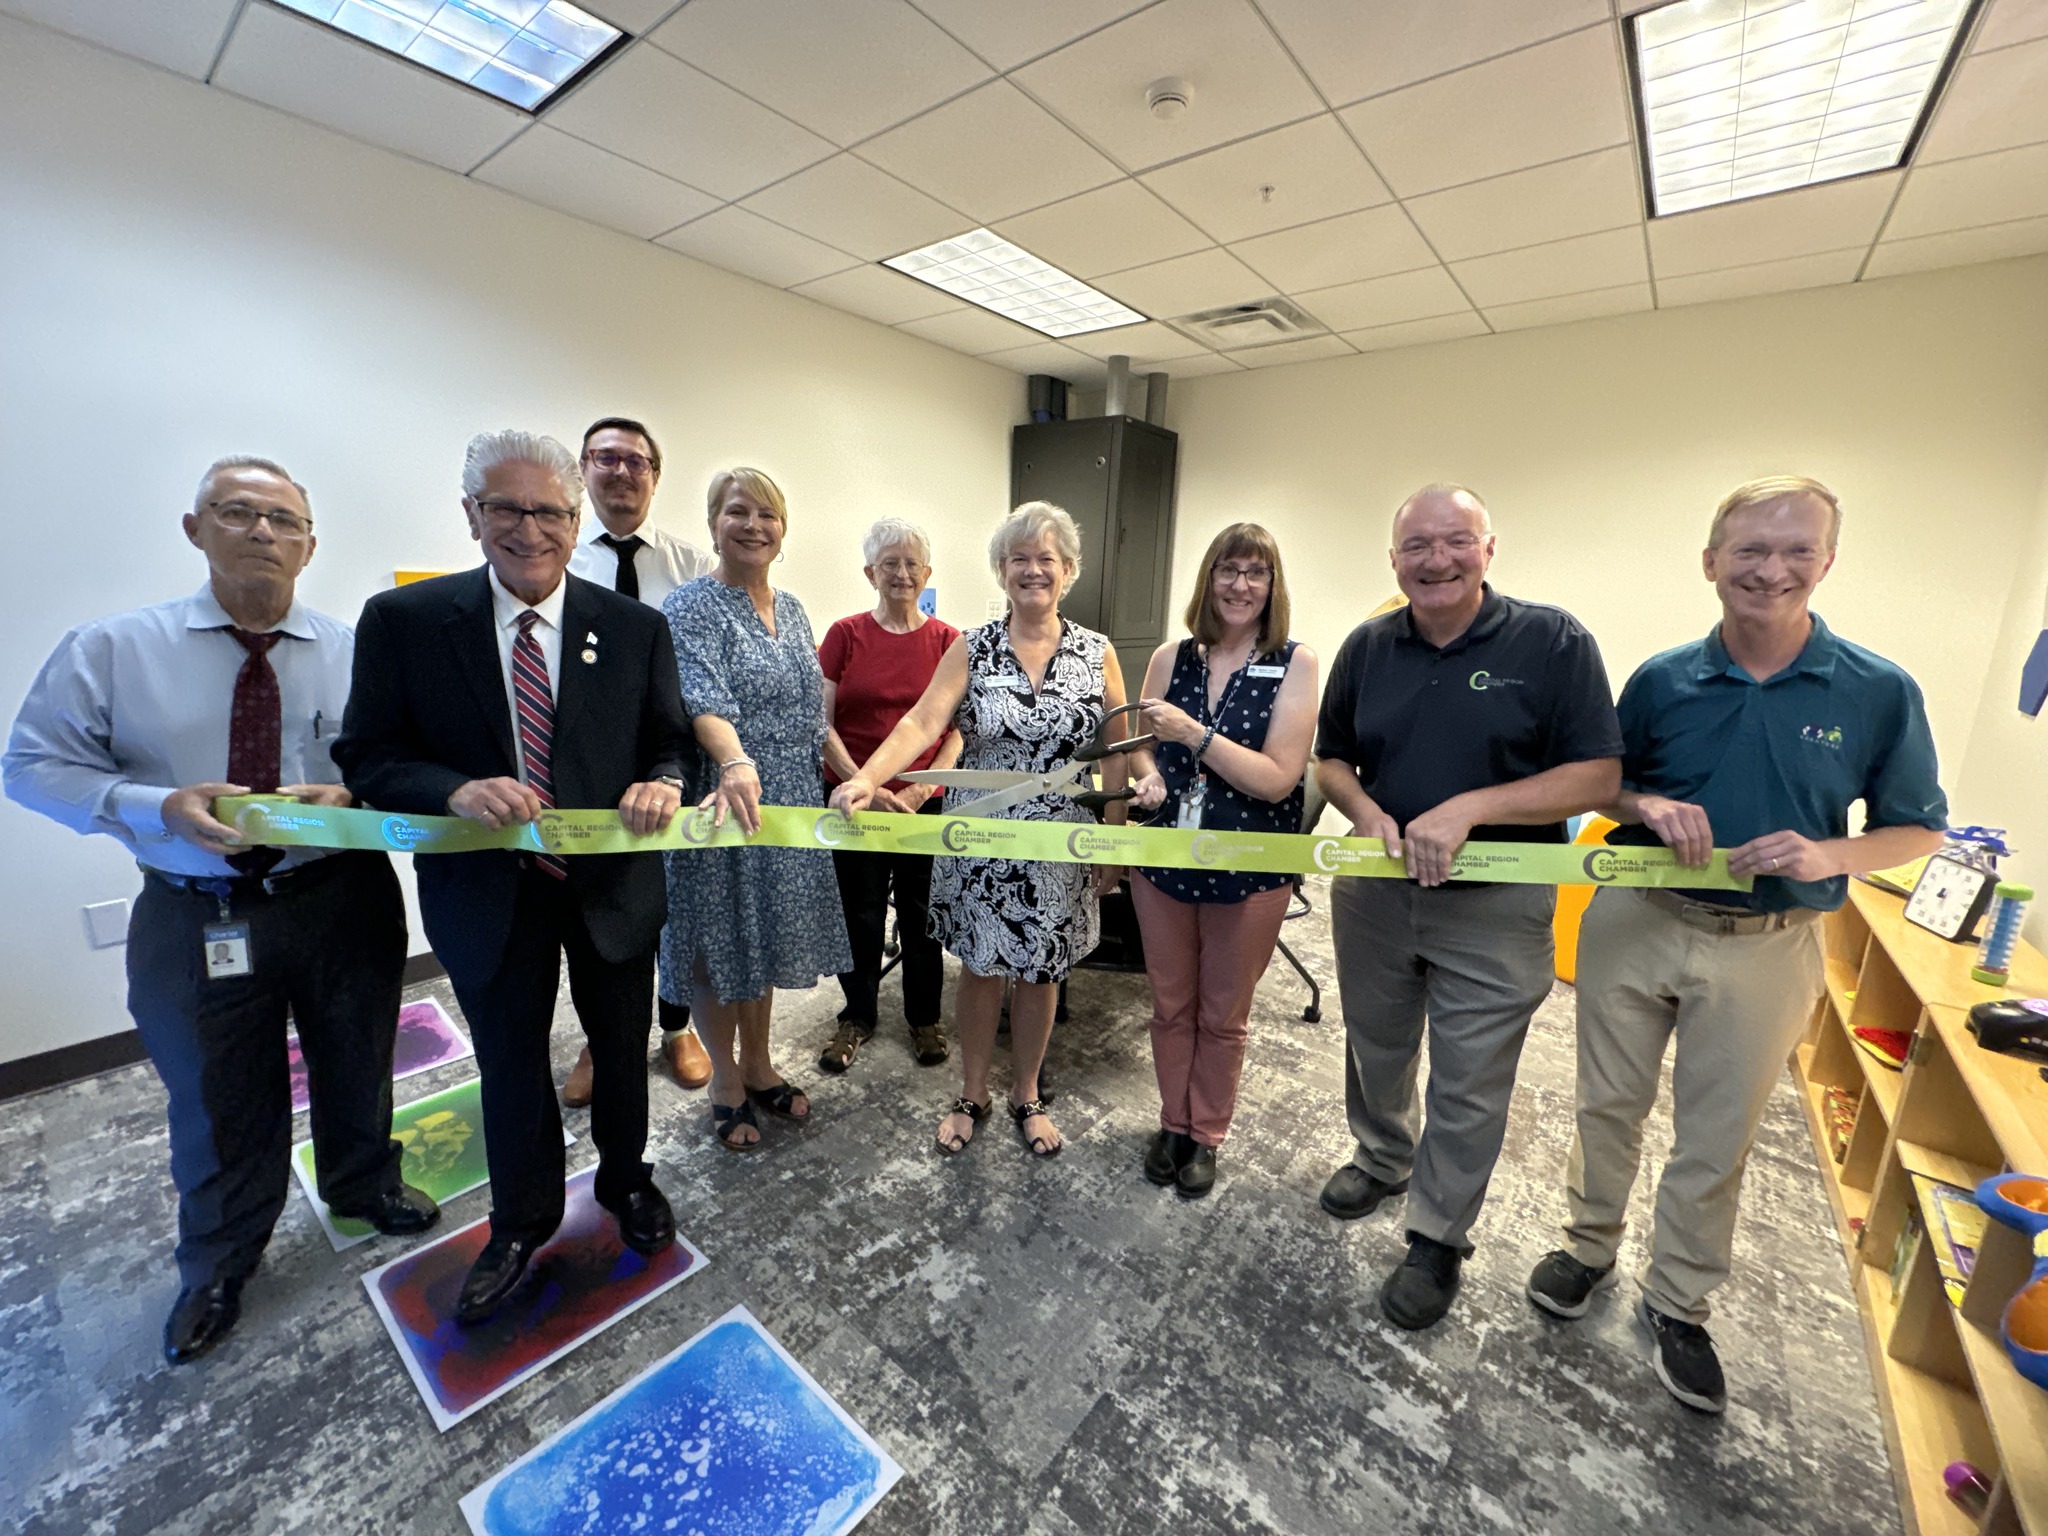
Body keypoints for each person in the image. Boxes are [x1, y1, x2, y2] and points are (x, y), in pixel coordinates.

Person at [3, 456, 436, 1365]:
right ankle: (221, 1259)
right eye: (238, 512)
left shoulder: (361, 652)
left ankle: (366, 1185)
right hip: (195, 909)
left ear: (311, 546)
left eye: (284, 520)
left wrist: (354, 798)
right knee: (215, 1092)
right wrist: (153, 806)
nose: (263, 533)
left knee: (358, 1056)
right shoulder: (113, 650)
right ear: (195, 529)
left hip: (338, 896)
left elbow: (401, 760)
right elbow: (34, 764)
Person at [1527, 477, 1946, 1413]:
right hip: (1640, 923)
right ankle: (1587, 1247)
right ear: (1711, 561)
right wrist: (1643, 805)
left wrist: (1831, 850)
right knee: (1607, 1105)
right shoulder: (1662, 678)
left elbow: (1919, 828)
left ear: (1828, 562)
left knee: (1717, 1137)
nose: (1772, 569)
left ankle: (1678, 1301)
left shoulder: (1876, 689)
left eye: (1797, 550)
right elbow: (1601, 786)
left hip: (1772, 939)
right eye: (1750, 550)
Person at [334, 430, 688, 1323]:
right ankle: (522, 1217)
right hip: (487, 891)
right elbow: (369, 756)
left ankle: (624, 1180)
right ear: (471, 516)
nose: (528, 529)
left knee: (619, 1047)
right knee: (510, 1059)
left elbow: (669, 738)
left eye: (547, 512)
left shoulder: (637, 628)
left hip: (609, 885)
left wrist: (667, 780)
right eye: (506, 508)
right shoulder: (405, 623)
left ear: (577, 523)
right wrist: (449, 789)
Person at [1314, 483, 1622, 1330]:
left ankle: (1438, 1235)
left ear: (1490, 549)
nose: (1436, 559)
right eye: (1417, 545)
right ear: (1394, 560)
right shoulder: (1369, 645)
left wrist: (1471, 808)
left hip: (1497, 901)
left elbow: (1597, 775)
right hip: (1378, 892)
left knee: (1470, 1077)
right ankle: (1382, 1157)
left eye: (1456, 541)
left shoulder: (1552, 641)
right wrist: (1367, 813)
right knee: (1376, 1044)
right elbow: (1332, 759)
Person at [832, 502, 1132, 1159]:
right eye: (1018, 559)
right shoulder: (972, 646)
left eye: (1045, 559)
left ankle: (1026, 1092)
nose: (1032, 571)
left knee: (1043, 972)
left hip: (1062, 843)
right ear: (1001, 570)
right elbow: (921, 721)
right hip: (983, 842)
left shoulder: (1097, 651)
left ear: (1069, 571)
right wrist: (868, 777)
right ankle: (972, 1092)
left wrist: (1116, 833)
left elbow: (1116, 747)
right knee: (982, 967)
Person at [659, 468, 850, 1152]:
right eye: (737, 512)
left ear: (783, 528)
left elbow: (810, 716)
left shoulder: (795, 609)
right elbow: (702, 701)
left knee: (761, 937)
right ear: (713, 522)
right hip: (724, 791)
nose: (753, 525)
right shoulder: (689, 607)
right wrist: (738, 761)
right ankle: (725, 1084)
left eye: (767, 514)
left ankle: (761, 1064)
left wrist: (855, 777)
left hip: (791, 798)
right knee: (717, 940)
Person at [1126, 524, 1317, 1199]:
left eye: (1255, 573)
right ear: (1208, 580)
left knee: (1223, 1012)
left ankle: (1207, 1135)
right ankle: (1173, 1123)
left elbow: (1275, 779)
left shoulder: (1295, 663)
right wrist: (1148, 772)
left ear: (1273, 586)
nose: (1240, 585)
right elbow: (1140, 746)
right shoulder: (1170, 656)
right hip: (1165, 859)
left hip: (1250, 865)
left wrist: (1194, 735)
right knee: (1171, 1004)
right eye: (1227, 571)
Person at [560, 416, 716, 1104]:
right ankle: (602, 1040)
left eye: (637, 462)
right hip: (585, 774)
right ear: (584, 470)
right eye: (606, 459)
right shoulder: (557, 560)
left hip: (675, 763)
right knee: (598, 915)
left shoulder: (690, 567)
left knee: (678, 907)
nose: (622, 473)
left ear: (655, 476)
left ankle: (678, 1027)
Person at [817, 518, 963, 1075]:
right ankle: (856, 1016)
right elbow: (820, 722)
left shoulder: (950, 641)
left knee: (923, 915)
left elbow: (957, 726)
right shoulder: (844, 634)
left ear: (927, 573)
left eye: (911, 565)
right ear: (869, 572)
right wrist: (863, 783)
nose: (901, 574)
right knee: (859, 912)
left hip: (926, 803)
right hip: (855, 802)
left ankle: (924, 1018)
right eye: (889, 564)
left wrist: (929, 784)